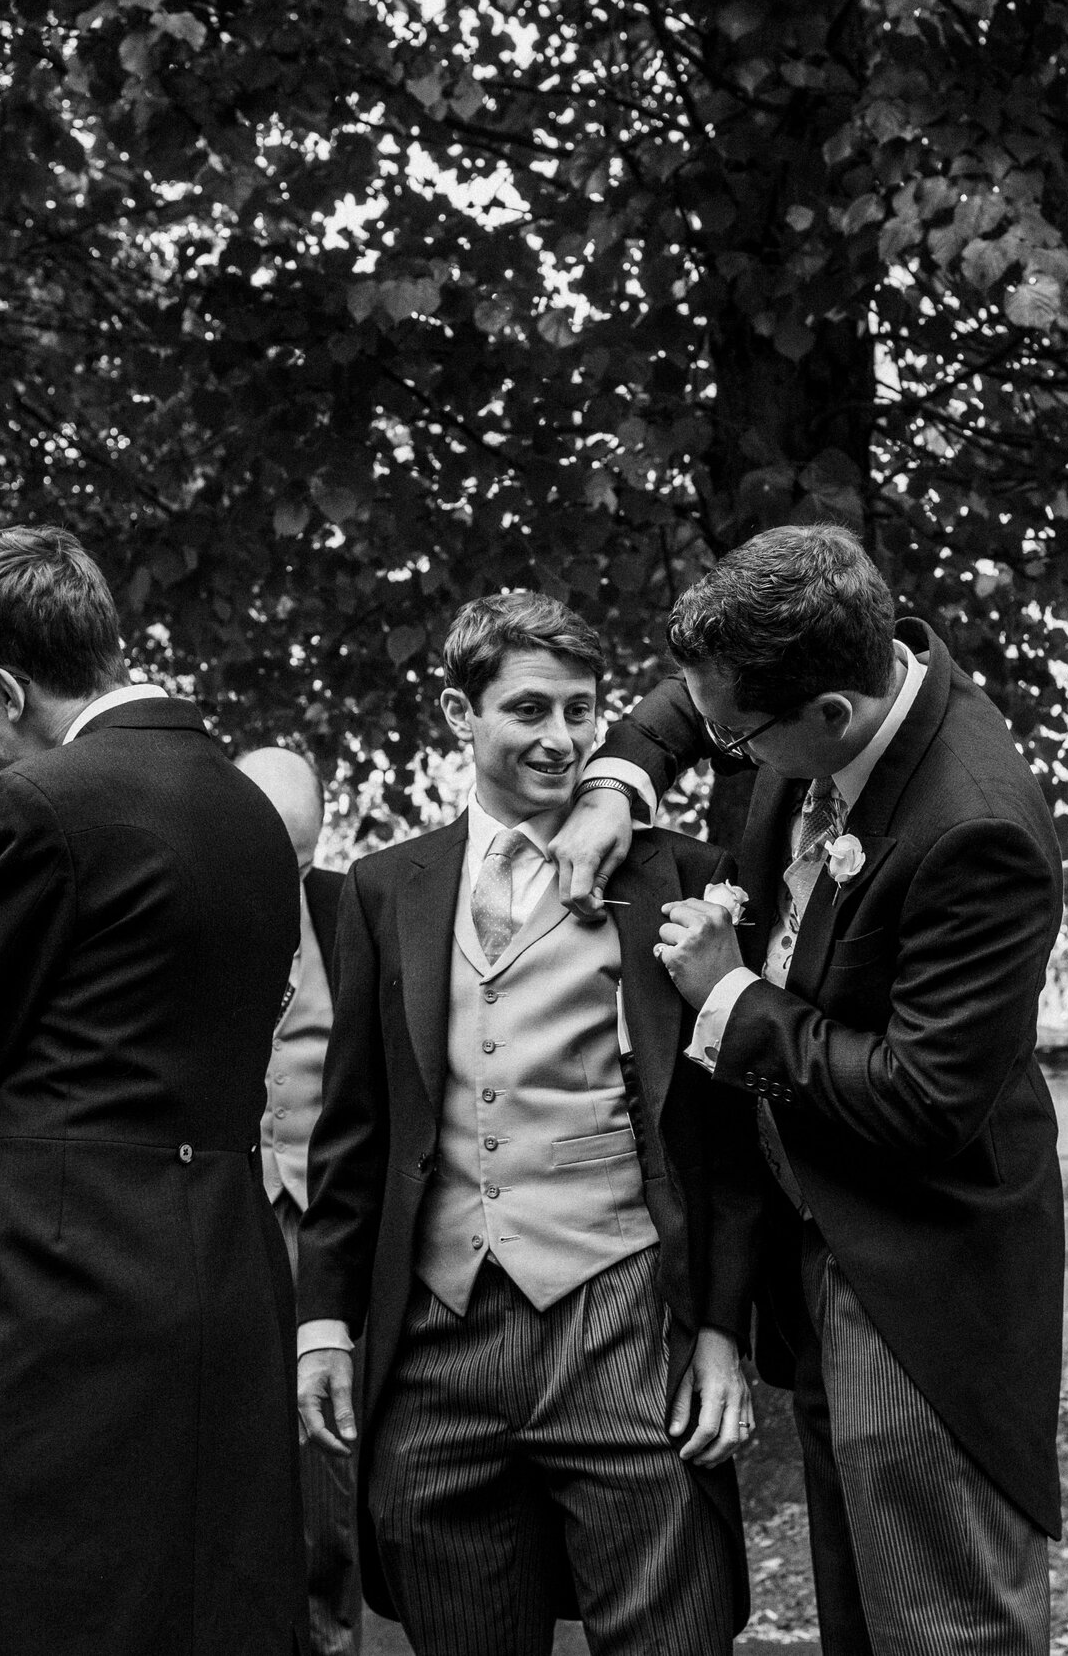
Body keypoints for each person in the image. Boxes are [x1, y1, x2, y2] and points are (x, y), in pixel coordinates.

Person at [551, 525, 1068, 1655]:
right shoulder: (844, 662)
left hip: (920, 1271)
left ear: (827, 718)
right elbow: (685, 708)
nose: (723, 751)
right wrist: (615, 781)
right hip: (814, 1239)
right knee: (857, 1622)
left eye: (740, 740)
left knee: (940, 1623)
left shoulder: (974, 827)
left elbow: (928, 1095)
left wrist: (732, 998)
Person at [0, 525, 302, 1656]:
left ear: (5, 685)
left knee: (24, 1601)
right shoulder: (237, 799)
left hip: (67, 1287)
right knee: (188, 1602)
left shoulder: (46, 802)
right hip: (218, 1266)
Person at [294, 592, 759, 1656]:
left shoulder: (678, 875)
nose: (561, 737)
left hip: (623, 1320)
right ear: (461, 712)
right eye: (529, 709)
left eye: (583, 710)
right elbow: (353, 1123)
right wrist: (325, 1319)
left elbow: (721, 1143)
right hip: (435, 1342)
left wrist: (721, 1334)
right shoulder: (383, 887)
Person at [234, 745, 364, 1656]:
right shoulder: (183, 907)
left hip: (328, 1216)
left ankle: (332, 1639)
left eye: (304, 856)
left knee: (331, 1466)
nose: (290, 876)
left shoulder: (353, 910)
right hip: (227, 1211)